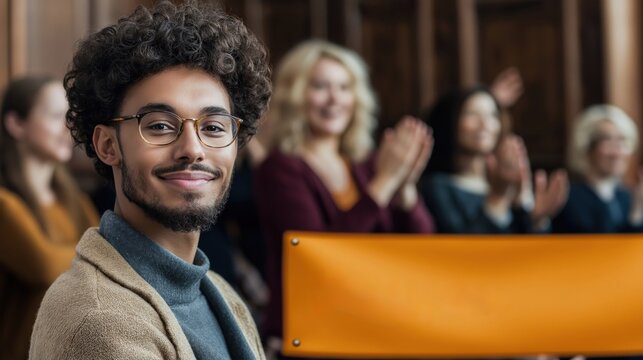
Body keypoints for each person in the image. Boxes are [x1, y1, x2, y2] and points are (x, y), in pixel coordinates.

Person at [29, 1, 271, 359]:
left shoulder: (217, 291)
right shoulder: (101, 321)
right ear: (108, 145)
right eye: (159, 125)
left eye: (214, 127)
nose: (193, 149)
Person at [254, 40, 435, 356]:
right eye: (320, 86)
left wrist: (405, 188)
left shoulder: (366, 164)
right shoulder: (279, 168)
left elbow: (421, 246)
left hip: (374, 329)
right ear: (296, 96)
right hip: (309, 338)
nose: (335, 99)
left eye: (344, 87)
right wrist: (384, 183)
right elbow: (319, 258)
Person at [0, 75, 98, 360]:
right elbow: (45, 266)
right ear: (16, 124)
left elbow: (111, 256)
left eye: (69, 117)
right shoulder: (5, 203)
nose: (68, 128)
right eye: (56, 116)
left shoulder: (74, 200)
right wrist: (97, 256)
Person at [420, 86, 568, 233]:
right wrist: (497, 199)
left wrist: (536, 219)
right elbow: (465, 249)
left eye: (492, 115)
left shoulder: (508, 184)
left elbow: (530, 251)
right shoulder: (437, 188)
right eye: (472, 114)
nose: (485, 124)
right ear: (450, 122)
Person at [552, 105, 643, 233]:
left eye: (622, 140)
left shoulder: (627, 198)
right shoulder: (567, 197)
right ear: (587, 147)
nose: (617, 151)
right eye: (607, 140)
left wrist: (637, 211)